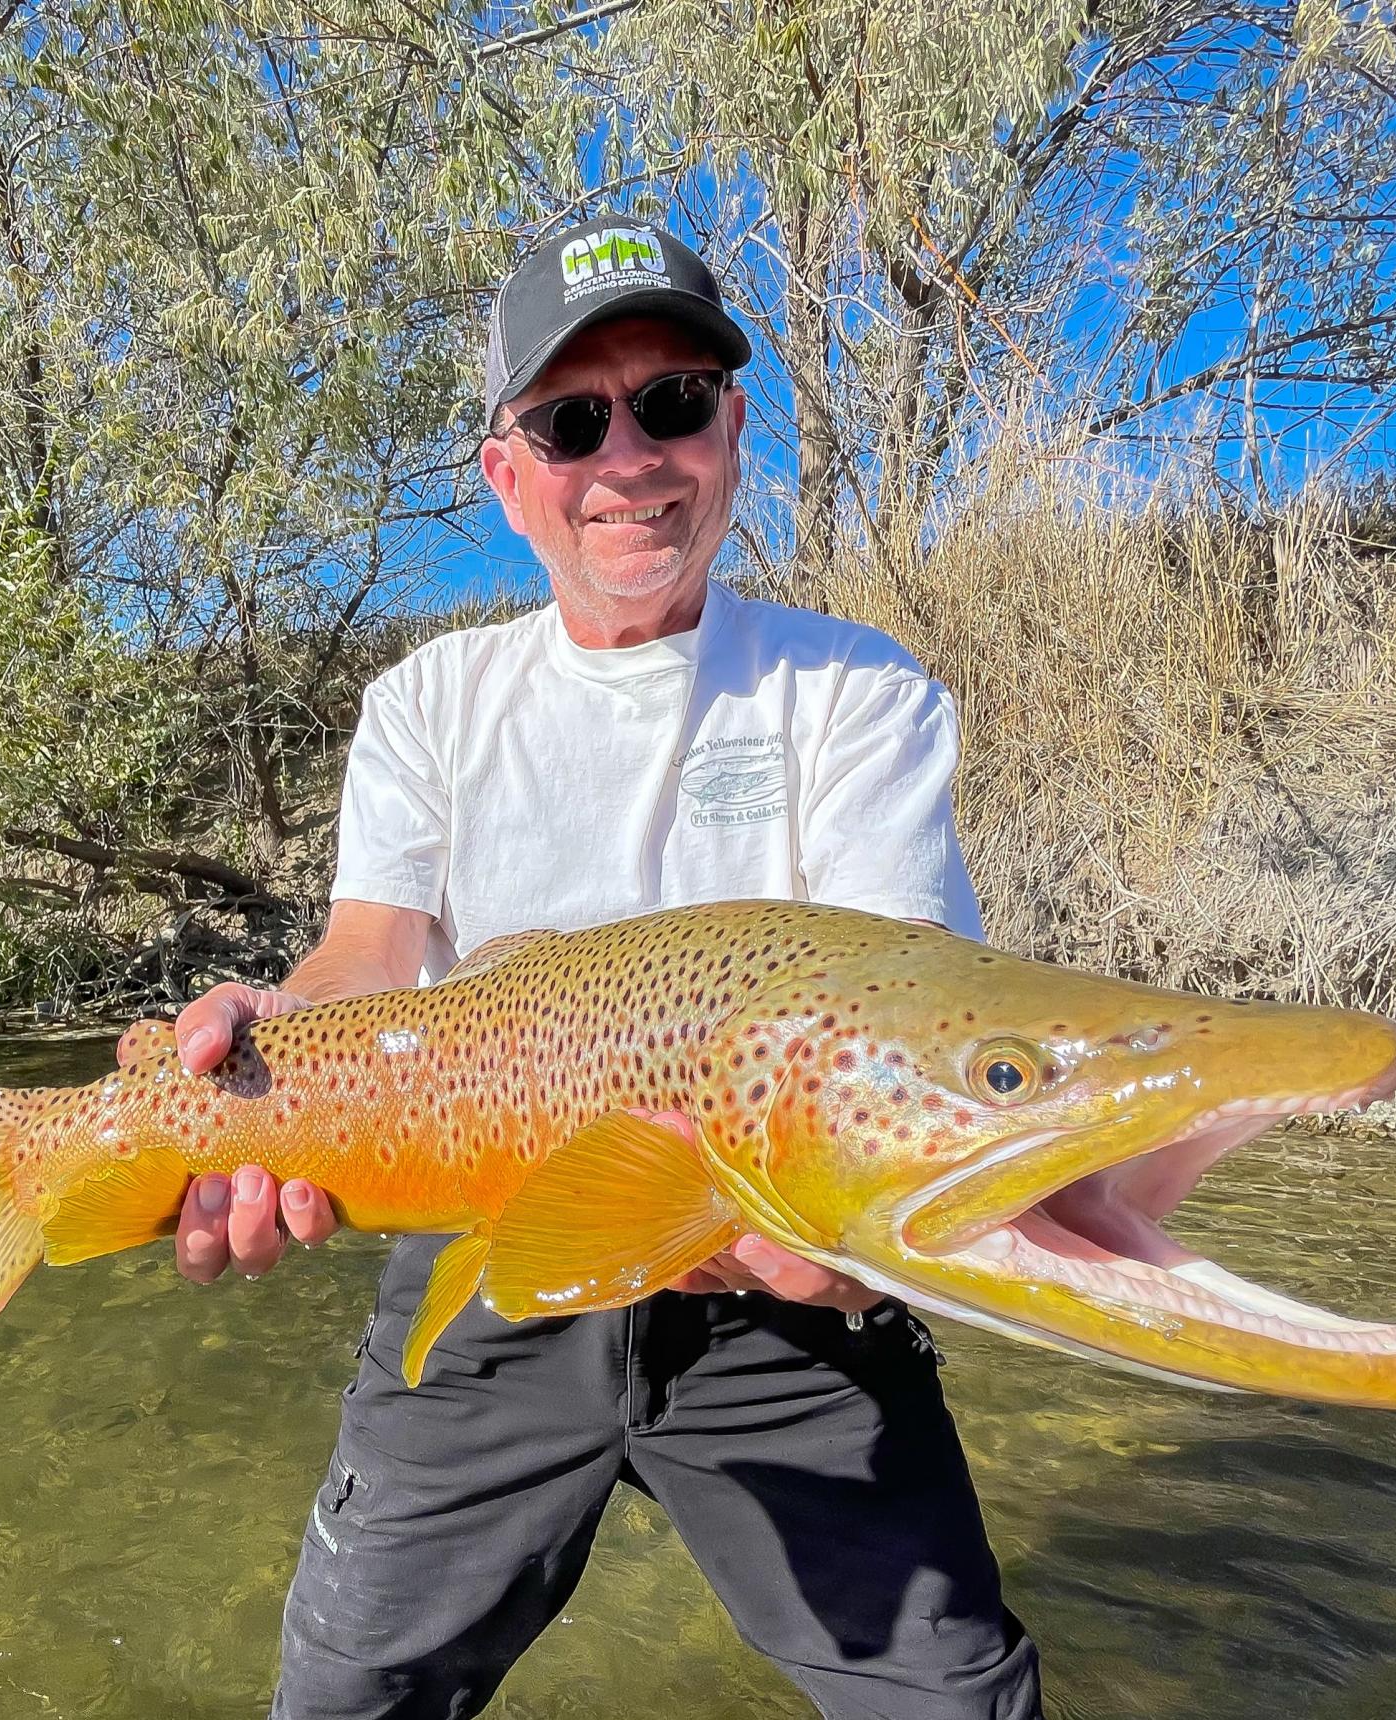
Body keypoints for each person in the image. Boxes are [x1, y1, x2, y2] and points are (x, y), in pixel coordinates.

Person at [124, 214, 1044, 1720]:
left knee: (951, 1704)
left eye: (671, 401)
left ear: (733, 428)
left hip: (778, 1295)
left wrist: (847, 1236)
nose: (629, 458)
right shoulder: (430, 701)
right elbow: (369, 956)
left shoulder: (859, 691)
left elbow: (903, 1016)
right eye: (570, 420)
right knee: (345, 1699)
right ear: (508, 478)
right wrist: (267, 1041)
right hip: (491, 1271)